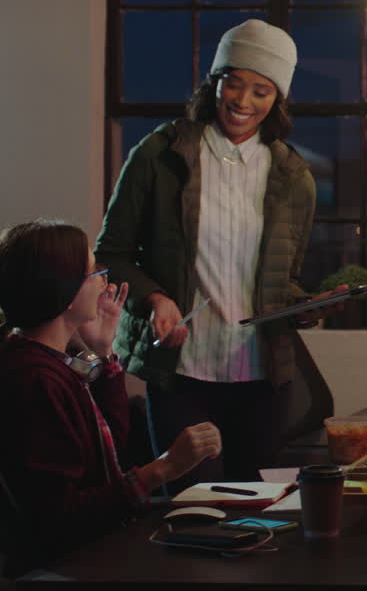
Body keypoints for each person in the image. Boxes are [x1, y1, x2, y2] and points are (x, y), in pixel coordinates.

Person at [95, 19, 326, 486]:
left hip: (262, 381)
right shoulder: (160, 154)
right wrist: (156, 300)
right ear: (214, 83)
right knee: (194, 507)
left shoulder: (293, 176)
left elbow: (283, 279)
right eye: (233, 84)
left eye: (260, 91)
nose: (242, 101)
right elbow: (110, 254)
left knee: (256, 512)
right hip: (182, 376)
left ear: (276, 99)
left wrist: (305, 306)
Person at [0, 220, 221, 575]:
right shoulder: (34, 379)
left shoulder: (53, 361)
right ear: (65, 289)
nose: (105, 281)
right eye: (94, 272)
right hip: (70, 561)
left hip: (92, 546)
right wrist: (161, 469)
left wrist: (104, 353)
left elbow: (109, 452)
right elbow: (60, 518)